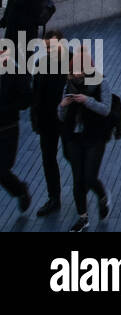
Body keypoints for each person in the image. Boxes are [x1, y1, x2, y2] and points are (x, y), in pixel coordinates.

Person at [59, 45, 112, 232]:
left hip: (95, 136)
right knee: (77, 180)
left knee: (90, 177)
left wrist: (87, 101)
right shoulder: (68, 85)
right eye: (73, 72)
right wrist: (63, 105)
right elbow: (61, 115)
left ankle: (102, 196)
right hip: (74, 136)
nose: (76, 75)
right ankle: (83, 218)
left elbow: (106, 109)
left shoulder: (100, 82)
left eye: (79, 71)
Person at [30, 30, 66, 216]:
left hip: (67, 120)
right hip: (48, 120)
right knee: (48, 159)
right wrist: (35, 117)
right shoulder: (40, 64)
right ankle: (54, 198)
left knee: (73, 158)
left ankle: (75, 194)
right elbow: (36, 94)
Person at [0, 42, 33, 214]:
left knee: (2, 169)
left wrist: (6, 107)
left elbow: (26, 100)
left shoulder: (15, 73)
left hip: (8, 128)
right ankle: (20, 190)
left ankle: (20, 190)